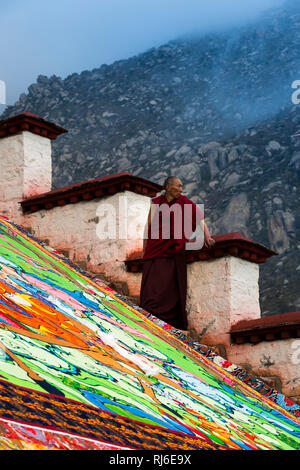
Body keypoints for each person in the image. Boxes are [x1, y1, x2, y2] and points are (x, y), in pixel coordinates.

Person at [140, 176, 215, 332]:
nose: (181, 190)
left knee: (170, 286)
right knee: (152, 284)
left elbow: (199, 218)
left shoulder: (184, 202)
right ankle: (149, 314)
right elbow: (148, 227)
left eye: (182, 187)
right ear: (168, 186)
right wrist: (144, 249)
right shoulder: (156, 203)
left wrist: (207, 236)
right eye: (178, 186)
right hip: (155, 248)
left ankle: (170, 319)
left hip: (173, 251)